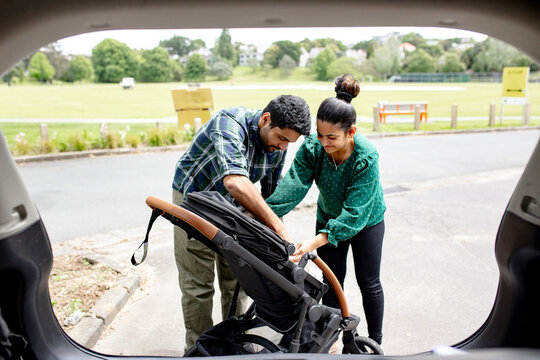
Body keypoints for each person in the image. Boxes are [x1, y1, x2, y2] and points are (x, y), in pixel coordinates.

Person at [171, 95, 311, 350]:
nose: (282, 147)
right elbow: (234, 182)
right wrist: (280, 228)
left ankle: (234, 346)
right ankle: (198, 350)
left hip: (232, 210)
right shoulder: (229, 123)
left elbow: (271, 199)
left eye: (289, 143)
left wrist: (276, 243)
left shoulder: (278, 146)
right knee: (198, 287)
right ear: (266, 119)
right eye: (281, 138)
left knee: (237, 281)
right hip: (194, 202)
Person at [266, 74, 386, 346]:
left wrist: (316, 240)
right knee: (333, 282)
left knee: (369, 283)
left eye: (331, 137)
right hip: (329, 217)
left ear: (350, 132)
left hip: (367, 221)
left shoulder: (366, 156)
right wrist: (264, 214)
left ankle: (375, 343)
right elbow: (294, 185)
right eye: (319, 134)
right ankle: (335, 341)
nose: (323, 142)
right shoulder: (314, 147)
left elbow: (356, 213)